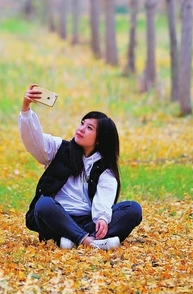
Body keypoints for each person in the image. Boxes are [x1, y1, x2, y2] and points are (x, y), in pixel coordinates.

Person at [19, 84, 142, 250]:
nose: (81, 129)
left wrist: (102, 219)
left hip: (87, 220)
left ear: (99, 140)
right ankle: (89, 241)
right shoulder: (58, 149)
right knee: (43, 205)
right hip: (58, 217)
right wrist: (26, 108)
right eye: (82, 123)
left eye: (89, 128)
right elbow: (34, 141)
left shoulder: (105, 167)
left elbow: (105, 196)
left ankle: (70, 239)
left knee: (133, 209)